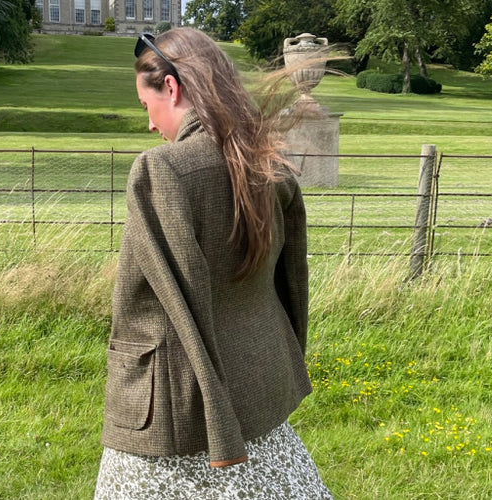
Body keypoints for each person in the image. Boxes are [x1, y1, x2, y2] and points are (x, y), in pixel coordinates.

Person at [93, 28, 330, 499]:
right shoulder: (267, 162)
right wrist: (286, 363)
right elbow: (292, 289)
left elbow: (182, 307)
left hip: (175, 411)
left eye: (147, 107)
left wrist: (219, 425)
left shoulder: (164, 170)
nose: (149, 126)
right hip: (259, 386)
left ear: (172, 88)